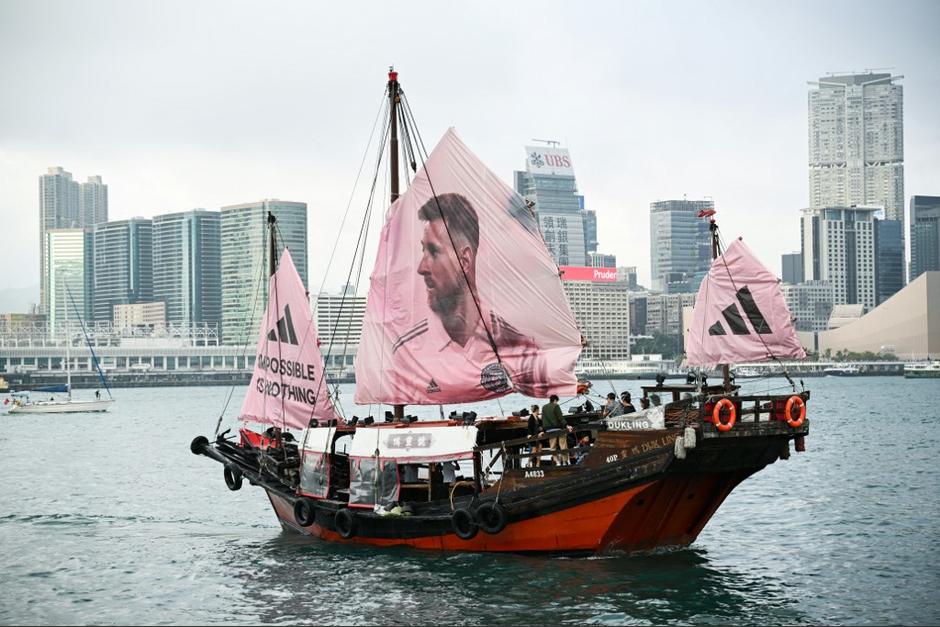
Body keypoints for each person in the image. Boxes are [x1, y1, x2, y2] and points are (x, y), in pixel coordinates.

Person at [391, 193, 549, 398]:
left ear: (464, 260)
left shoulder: (523, 350)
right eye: (423, 251)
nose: (421, 268)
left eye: (433, 252)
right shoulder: (405, 351)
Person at [541, 394, 573, 466]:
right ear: (555, 400)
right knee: (563, 445)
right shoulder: (556, 406)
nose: (557, 403)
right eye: (557, 401)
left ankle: (557, 462)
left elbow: (543, 419)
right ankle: (565, 462)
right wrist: (567, 426)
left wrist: (543, 429)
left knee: (552, 447)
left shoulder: (544, 407)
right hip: (558, 429)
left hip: (549, 430)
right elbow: (560, 418)